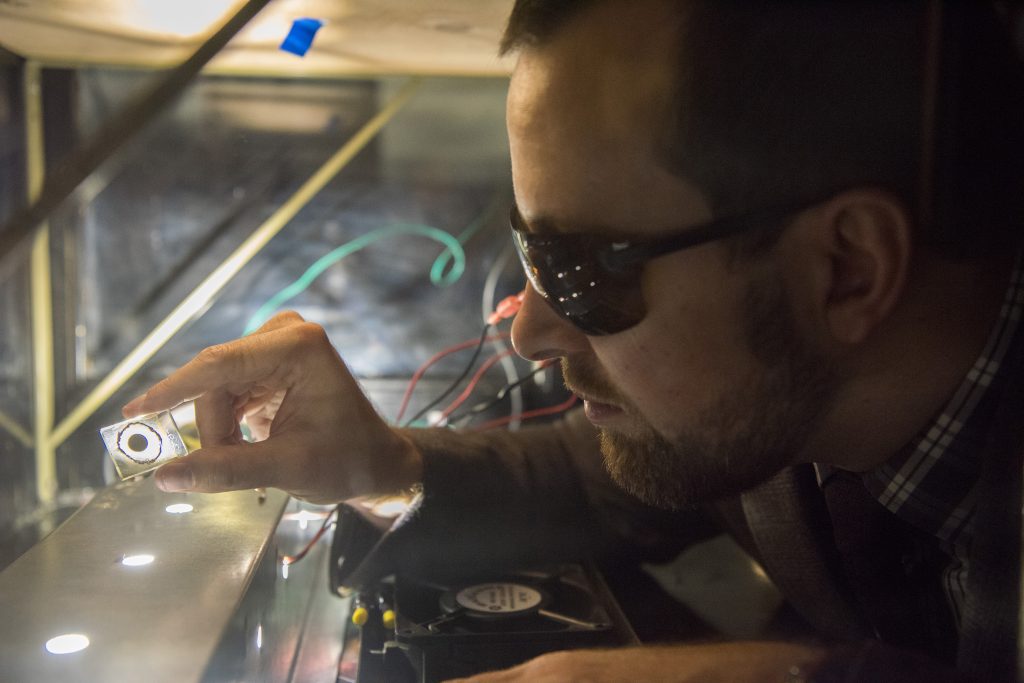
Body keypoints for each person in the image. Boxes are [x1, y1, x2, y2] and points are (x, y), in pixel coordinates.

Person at [122, 1, 1024, 680]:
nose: (527, 326)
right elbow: (597, 476)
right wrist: (383, 466)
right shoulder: (766, 410)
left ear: (847, 268)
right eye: (528, 252)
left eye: (582, 267)